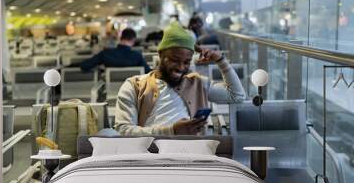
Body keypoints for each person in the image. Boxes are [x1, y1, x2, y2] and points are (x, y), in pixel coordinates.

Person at [114, 22, 246, 135]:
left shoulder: (198, 83)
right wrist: (171, 131)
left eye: (187, 62)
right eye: (174, 60)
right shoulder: (134, 86)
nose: (181, 67)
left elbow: (237, 96)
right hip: (150, 155)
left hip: (192, 155)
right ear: (160, 55)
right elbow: (124, 131)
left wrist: (220, 60)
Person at [80, 28, 151, 73]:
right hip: (133, 92)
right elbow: (148, 73)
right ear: (133, 40)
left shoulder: (105, 53)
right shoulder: (137, 56)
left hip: (110, 92)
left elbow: (84, 66)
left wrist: (99, 69)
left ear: (120, 38)